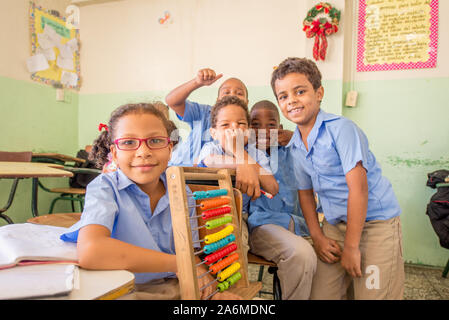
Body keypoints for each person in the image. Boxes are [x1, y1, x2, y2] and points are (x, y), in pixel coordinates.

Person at [60, 103, 240, 300]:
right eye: (129, 143)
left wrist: (209, 288)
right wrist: (178, 263)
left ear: (170, 148)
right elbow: (91, 251)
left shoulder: (182, 192)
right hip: (116, 287)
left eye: (155, 140)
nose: (143, 152)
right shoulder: (104, 188)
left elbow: (190, 253)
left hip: (169, 286)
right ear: (114, 152)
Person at [271, 57, 404, 300]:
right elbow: (305, 193)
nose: (292, 100)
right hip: (335, 226)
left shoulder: (342, 130)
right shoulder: (295, 145)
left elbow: (359, 190)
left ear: (319, 92)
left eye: (300, 91)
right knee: (322, 295)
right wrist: (318, 237)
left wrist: (352, 247)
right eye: (283, 96)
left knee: (373, 294)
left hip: (376, 226)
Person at [247, 100, 316, 300]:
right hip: (262, 226)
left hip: (300, 224)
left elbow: (317, 154)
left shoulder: (292, 152)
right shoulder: (245, 157)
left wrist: (296, 138)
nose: (264, 130)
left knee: (333, 251)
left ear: (280, 128)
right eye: (256, 124)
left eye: (271, 125)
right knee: (301, 255)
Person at [165, 68, 249, 166]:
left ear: (247, 103)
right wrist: (197, 82)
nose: (232, 95)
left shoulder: (247, 126)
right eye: (226, 92)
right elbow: (171, 101)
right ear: (217, 101)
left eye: (239, 93)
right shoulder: (203, 113)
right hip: (181, 171)